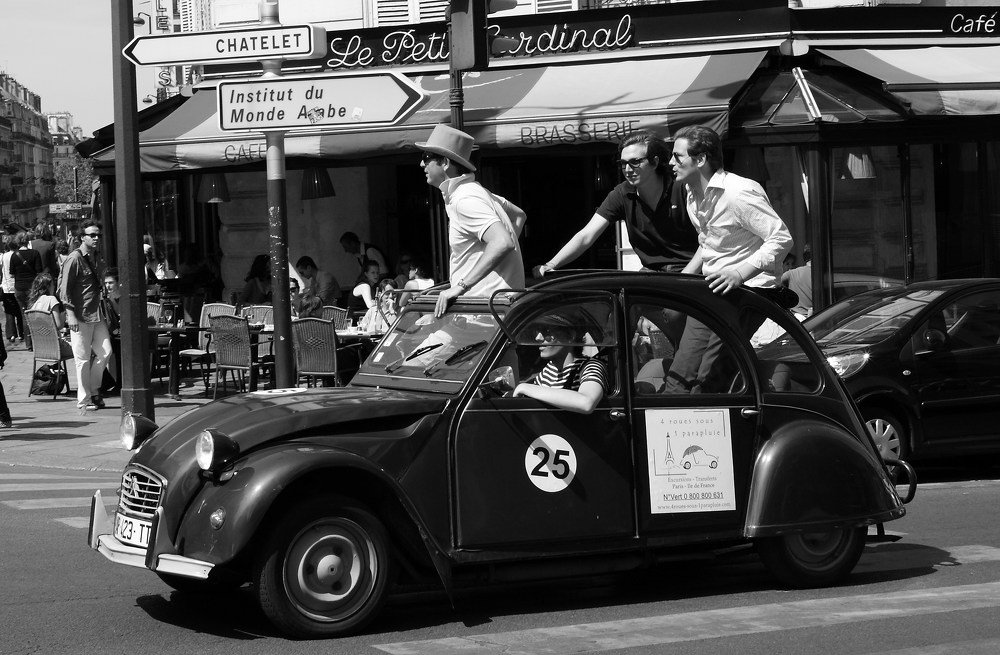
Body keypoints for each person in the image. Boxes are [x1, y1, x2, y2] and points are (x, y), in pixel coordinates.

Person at [663, 125, 792, 393]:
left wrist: (739, 274)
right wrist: (682, 279)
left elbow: (781, 238)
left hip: (748, 292)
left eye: (677, 156)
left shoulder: (738, 192)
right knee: (679, 379)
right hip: (713, 289)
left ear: (700, 159)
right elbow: (708, 242)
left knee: (708, 379)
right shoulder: (692, 193)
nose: (670, 163)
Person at [534, 131, 697, 277]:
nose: (628, 169)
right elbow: (586, 236)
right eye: (623, 163)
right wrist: (551, 264)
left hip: (692, 271)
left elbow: (707, 239)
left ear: (654, 162)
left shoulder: (682, 186)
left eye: (635, 162)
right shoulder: (622, 193)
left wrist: (686, 276)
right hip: (652, 273)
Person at [415, 124, 527, 318]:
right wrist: (498, 261)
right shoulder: (476, 192)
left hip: (484, 313)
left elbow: (502, 242)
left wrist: (460, 286)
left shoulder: (465, 199)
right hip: (493, 310)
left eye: (426, 157)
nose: (421, 164)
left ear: (445, 163)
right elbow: (519, 215)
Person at [58, 219, 113, 411]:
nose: (97, 238)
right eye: (92, 235)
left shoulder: (96, 257)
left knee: (105, 352)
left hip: (97, 312)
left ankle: (94, 389)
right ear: (83, 237)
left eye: (99, 235)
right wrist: (70, 314)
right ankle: (84, 399)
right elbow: (64, 289)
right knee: (82, 358)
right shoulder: (74, 258)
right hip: (80, 314)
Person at [512, 312, 609, 414]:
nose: (538, 338)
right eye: (537, 331)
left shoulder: (591, 367)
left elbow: (586, 403)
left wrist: (524, 387)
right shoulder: (549, 370)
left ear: (571, 336)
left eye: (546, 331)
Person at [10, 231, 43, 349]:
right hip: (32, 287)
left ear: (18, 242)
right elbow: (39, 271)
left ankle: (29, 344)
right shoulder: (35, 253)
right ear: (28, 240)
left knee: (24, 315)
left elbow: (12, 273)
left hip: (19, 288)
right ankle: (38, 341)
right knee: (35, 313)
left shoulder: (14, 255)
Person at [0, 235, 23, 345]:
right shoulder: (18, 255)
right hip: (17, 285)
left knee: (9, 311)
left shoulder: (3, 256)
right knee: (20, 311)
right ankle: (21, 333)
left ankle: (11, 334)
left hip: (6, 286)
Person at [782, 245, 812, 320]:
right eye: (787, 264)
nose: (790, 267)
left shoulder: (790, 274)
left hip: (796, 318)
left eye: (792, 264)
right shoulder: (789, 275)